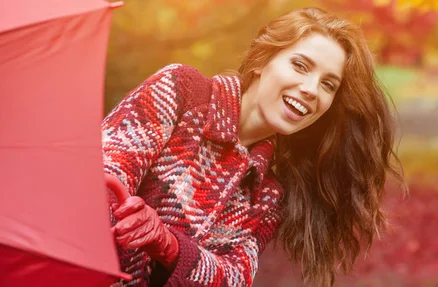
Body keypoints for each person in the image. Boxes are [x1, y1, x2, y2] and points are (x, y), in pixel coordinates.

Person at [103, 7, 403, 287]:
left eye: (328, 84)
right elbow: (102, 174)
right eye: (300, 66)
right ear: (261, 61)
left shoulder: (268, 195)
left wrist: (166, 244)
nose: (311, 89)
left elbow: (234, 277)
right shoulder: (182, 91)